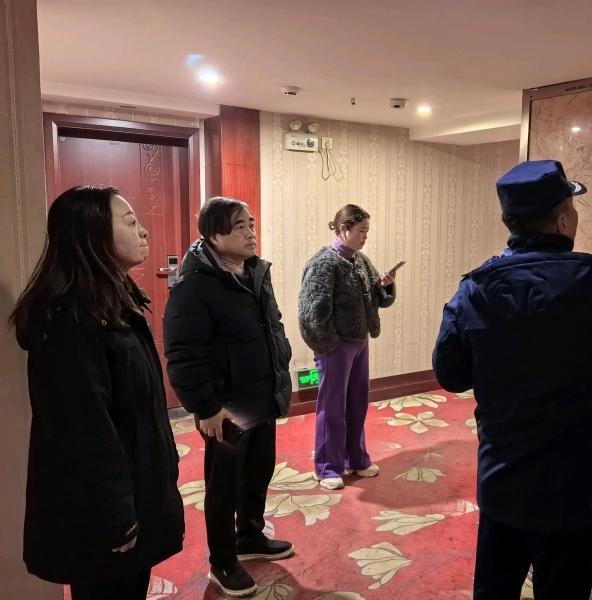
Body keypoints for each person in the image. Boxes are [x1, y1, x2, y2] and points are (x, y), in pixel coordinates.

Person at [432, 160, 592, 600]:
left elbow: (451, 375)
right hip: (576, 488)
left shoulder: (475, 291)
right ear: (563, 221)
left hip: (504, 476)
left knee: (494, 588)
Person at [10, 185, 184, 600]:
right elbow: (84, 433)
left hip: (135, 485)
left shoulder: (112, 302)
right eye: (130, 221)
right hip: (103, 510)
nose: (144, 231)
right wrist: (117, 517)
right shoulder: (69, 321)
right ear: (92, 234)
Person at [163, 197, 294, 597]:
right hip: (226, 406)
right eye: (240, 226)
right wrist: (205, 406)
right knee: (223, 485)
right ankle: (222, 561)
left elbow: (272, 325)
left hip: (262, 393)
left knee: (259, 471)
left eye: (251, 223)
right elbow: (183, 352)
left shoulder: (256, 272)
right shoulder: (195, 283)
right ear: (215, 236)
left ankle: (249, 535)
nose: (251, 233)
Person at [298, 204, 397, 490]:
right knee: (332, 407)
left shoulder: (361, 260)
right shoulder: (323, 263)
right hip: (335, 347)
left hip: (359, 342)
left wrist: (385, 285)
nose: (365, 236)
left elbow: (377, 299)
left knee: (357, 402)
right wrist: (329, 345)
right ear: (344, 229)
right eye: (361, 230)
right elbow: (311, 312)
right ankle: (327, 467)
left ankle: (356, 458)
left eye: (367, 231)